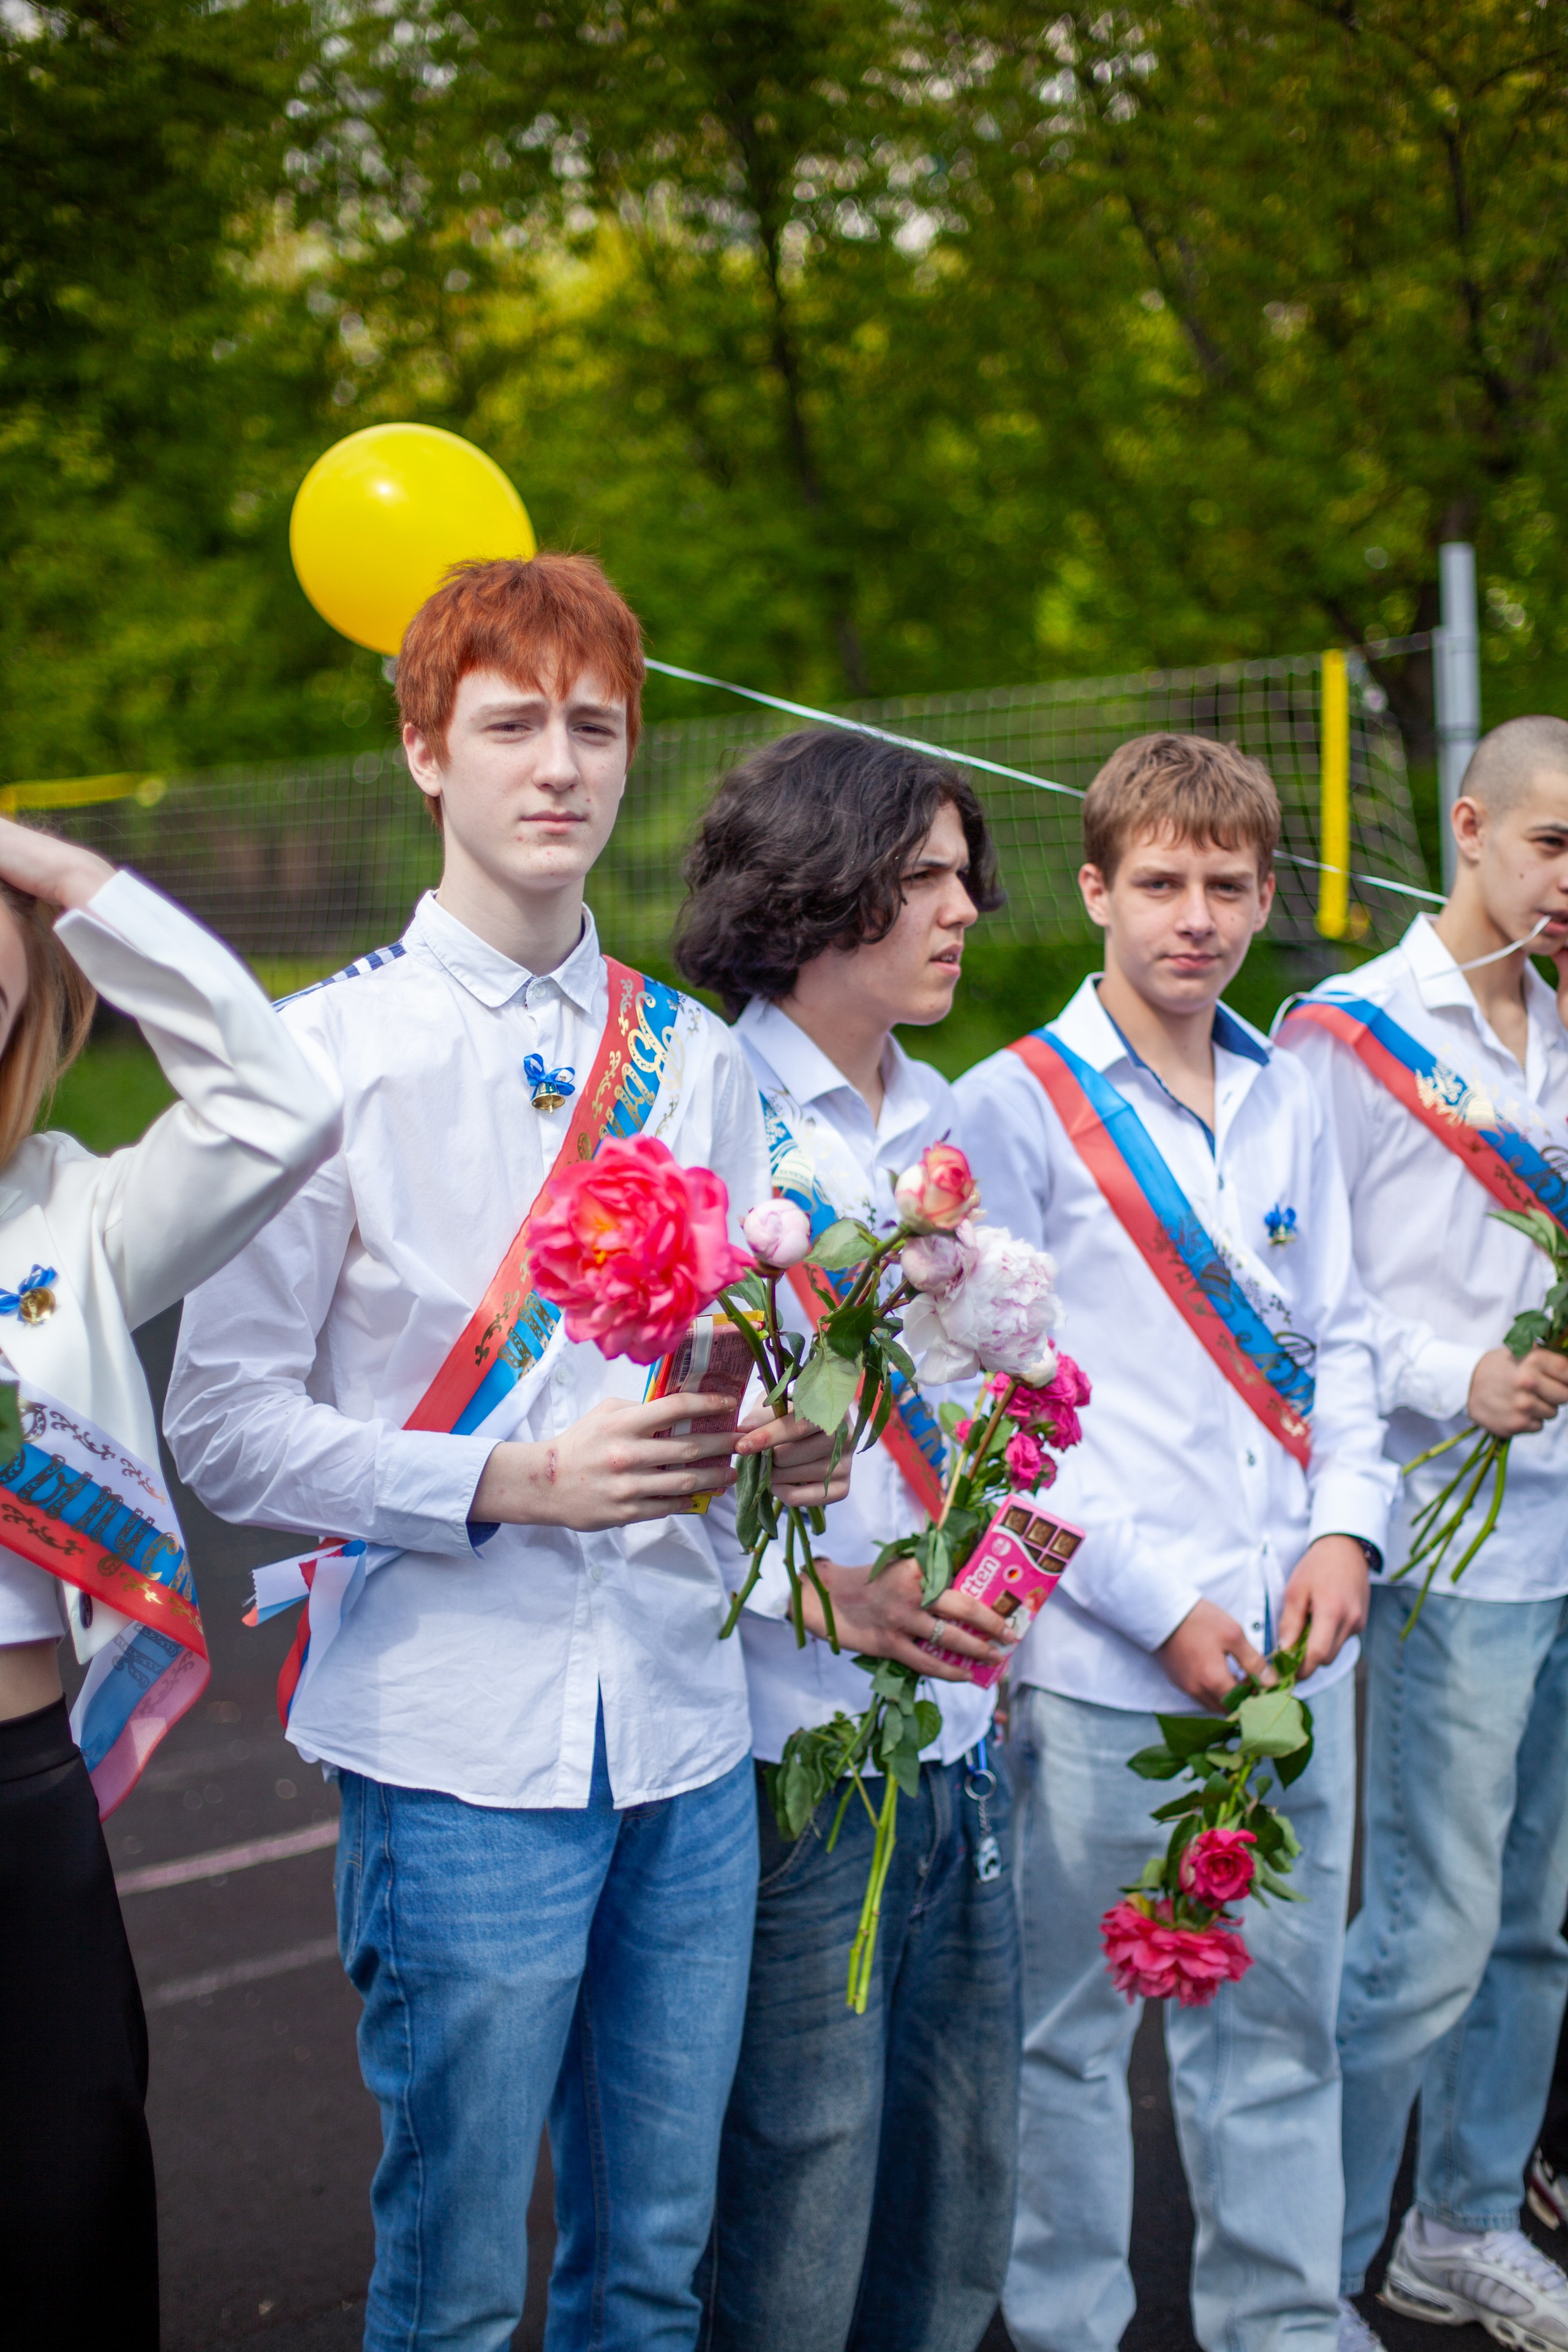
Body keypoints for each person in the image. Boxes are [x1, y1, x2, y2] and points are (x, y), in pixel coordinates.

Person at [163, 555, 847, 2352]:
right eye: (510, 723)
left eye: (596, 726)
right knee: (456, 2281)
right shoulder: (318, 1064)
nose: (560, 763)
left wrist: (788, 1428)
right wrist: (501, 1482)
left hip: (686, 1738)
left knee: (649, 2268)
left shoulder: (694, 1057)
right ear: (422, 751)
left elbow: (747, 1341)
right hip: (454, 1740)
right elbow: (220, 1427)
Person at [954, 732, 1395, 2352]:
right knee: (1068, 2030)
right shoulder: (1008, 1110)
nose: (1194, 919)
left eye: (1227, 886)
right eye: (1160, 883)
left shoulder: (1294, 1101)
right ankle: (1067, 2325)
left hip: (1295, 1643)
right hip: (1102, 1654)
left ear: (1267, 895)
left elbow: (1346, 1341)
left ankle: (1281, 2320)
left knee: (1278, 2015)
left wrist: (1347, 1535)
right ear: (1094, 889)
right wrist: (1157, 1604)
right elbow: (999, 1421)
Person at [674, 729, 1021, 2352]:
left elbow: (1004, 1395)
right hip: (792, 1736)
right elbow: (662, 1456)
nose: (963, 908)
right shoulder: (702, 1107)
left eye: (966, 874)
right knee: (806, 2169)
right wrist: (833, 1601)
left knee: (960, 2164)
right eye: (927, 874)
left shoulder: (954, 1120)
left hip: (962, 1718)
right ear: (821, 882)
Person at [0, 821, 340, 2350]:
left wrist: (60, 873)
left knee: (66, 2208)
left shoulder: (74, 1211)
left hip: (23, 1796)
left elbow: (280, 1104)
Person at [1281, 713, 1568, 2350]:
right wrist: (1456, 1373)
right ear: (1470, 828)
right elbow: (1295, 1293)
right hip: (1448, 1542)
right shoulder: (1352, 1032)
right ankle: (1302, 2261)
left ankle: (1457, 2224)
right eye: (1552, 846)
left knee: (1534, 1919)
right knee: (1430, 1928)